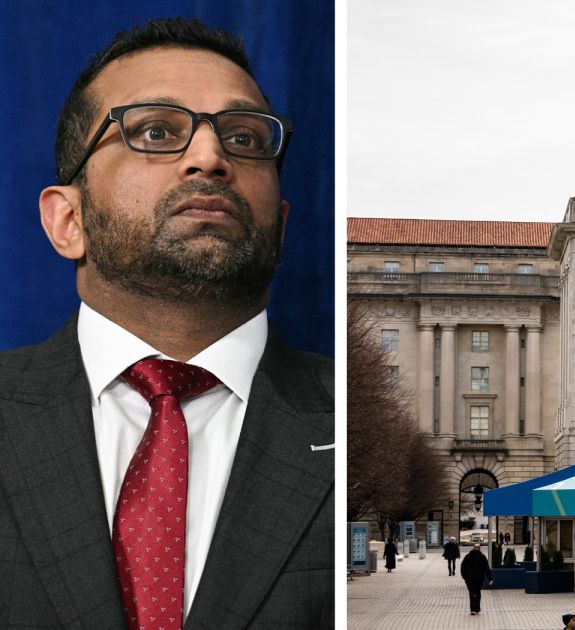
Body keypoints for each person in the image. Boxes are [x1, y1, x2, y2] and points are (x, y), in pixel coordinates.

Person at [0, 18, 333, 628]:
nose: (209, 158)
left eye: (244, 139)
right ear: (67, 221)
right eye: (156, 130)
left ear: (281, 227)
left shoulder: (343, 422)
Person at [459, 543, 494, 615]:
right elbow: (487, 568)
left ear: (473, 548)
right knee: (478, 592)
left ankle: (473, 609)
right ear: (479, 548)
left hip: (469, 579)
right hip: (479, 578)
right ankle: (477, 608)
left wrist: (464, 577)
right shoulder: (482, 557)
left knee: (471, 593)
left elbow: (463, 567)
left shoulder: (468, 556)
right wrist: (490, 579)